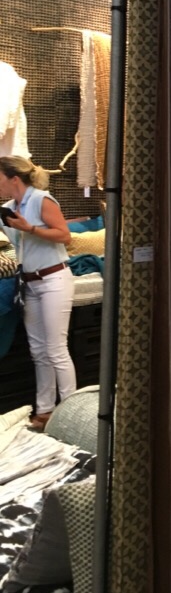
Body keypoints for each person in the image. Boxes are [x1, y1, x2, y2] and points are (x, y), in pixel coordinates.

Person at [0, 155, 76, 430]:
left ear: (14, 178)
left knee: (56, 349)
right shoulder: (8, 208)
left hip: (54, 278)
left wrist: (30, 228)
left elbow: (64, 236)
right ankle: (45, 411)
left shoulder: (42, 200)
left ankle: (71, 413)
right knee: (38, 350)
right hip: (29, 283)